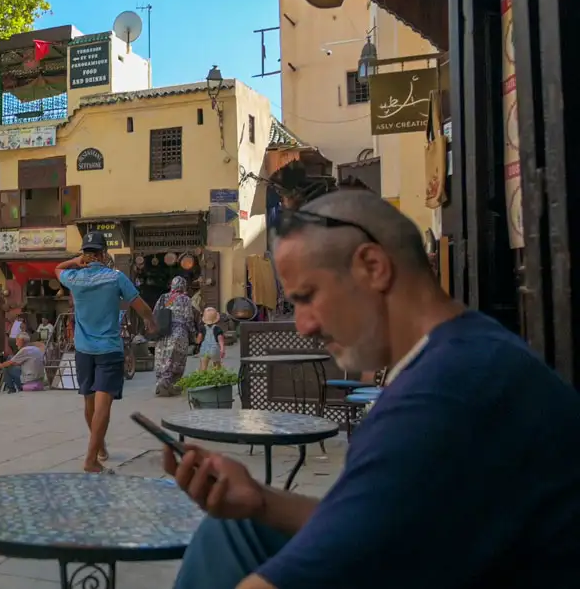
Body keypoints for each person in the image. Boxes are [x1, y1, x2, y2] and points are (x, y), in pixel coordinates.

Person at [166, 190, 580, 589]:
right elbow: (368, 524)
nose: (304, 325)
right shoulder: (466, 353)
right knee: (237, 530)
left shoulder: (439, 398)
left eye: (308, 296)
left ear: (372, 266)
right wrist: (260, 500)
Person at [57, 231, 156, 474]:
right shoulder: (116, 277)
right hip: (108, 350)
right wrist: (150, 320)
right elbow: (139, 305)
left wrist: (74, 261)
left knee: (89, 401)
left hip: (83, 350)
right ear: (103, 254)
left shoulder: (74, 278)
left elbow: (57, 269)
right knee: (103, 407)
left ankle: (99, 448)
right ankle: (91, 460)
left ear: (84, 254)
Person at [152, 276, 197, 396]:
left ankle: (160, 382)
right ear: (183, 286)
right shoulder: (185, 299)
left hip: (163, 332)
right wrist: (193, 335)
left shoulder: (164, 297)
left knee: (162, 357)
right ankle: (169, 384)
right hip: (179, 333)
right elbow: (189, 318)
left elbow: (155, 313)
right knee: (176, 359)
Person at [196, 306, 226, 371]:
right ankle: (216, 379)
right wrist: (222, 349)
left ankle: (202, 379)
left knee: (203, 368)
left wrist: (197, 343)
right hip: (214, 349)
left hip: (204, 349)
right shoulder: (218, 329)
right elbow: (220, 340)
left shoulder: (202, 328)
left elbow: (199, 339)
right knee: (217, 368)